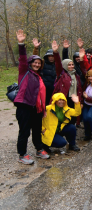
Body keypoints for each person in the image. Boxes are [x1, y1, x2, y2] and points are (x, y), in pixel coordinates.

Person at [14, 30, 50, 165]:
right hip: (24, 106)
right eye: (34, 63)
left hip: (37, 108)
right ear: (30, 63)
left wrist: (42, 109)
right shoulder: (24, 71)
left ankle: (39, 149)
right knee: (24, 131)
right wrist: (21, 43)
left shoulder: (39, 76)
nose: (37, 64)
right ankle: (22, 154)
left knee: (36, 129)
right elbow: (23, 59)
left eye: (39, 63)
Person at [52, 41, 83, 125]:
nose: (71, 66)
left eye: (72, 64)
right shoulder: (61, 74)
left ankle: (71, 133)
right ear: (65, 65)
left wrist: (80, 102)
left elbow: (79, 90)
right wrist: (55, 52)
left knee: (72, 118)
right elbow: (58, 63)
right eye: (69, 65)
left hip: (74, 100)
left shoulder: (76, 75)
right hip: (64, 99)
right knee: (62, 117)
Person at [32, 39, 56, 104]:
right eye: (49, 56)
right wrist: (36, 48)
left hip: (54, 90)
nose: (51, 58)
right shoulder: (43, 63)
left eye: (52, 56)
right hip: (43, 89)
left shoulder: (57, 64)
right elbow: (35, 58)